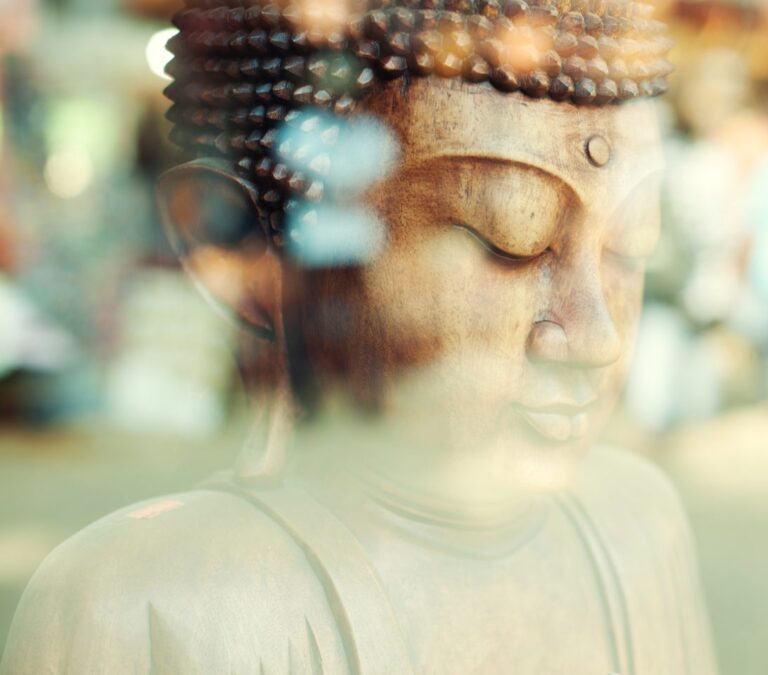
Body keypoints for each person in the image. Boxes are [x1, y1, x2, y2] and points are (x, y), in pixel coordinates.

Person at [0, 1, 718, 673]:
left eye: (632, 244)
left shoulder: (638, 529)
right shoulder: (142, 603)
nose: (595, 335)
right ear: (252, 253)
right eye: (511, 239)